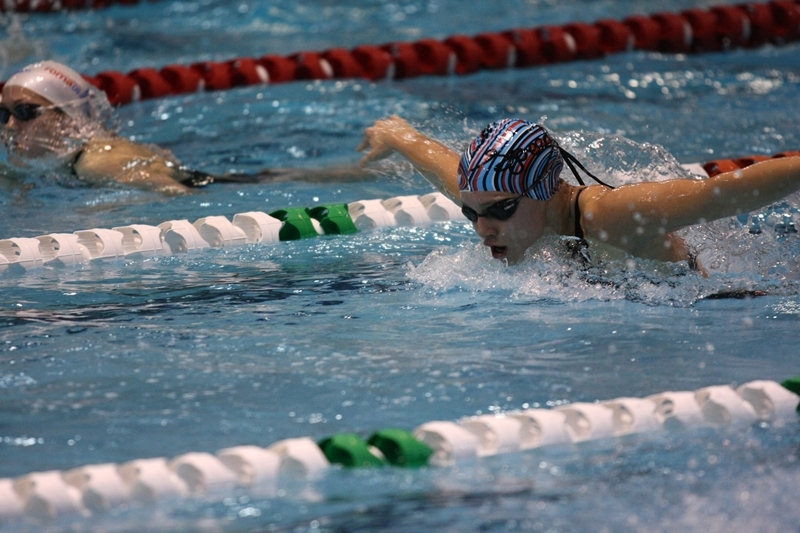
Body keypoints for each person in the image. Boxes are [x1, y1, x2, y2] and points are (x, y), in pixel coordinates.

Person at [357, 116, 800, 268]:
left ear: (549, 191)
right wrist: (397, 135)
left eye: (499, 211)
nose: (483, 230)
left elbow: (721, 195)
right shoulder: (498, 201)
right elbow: (445, 169)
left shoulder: (610, 216)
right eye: (471, 215)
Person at [1, 60, 367, 195]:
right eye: (4, 115)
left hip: (215, 187)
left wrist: (110, 212)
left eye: (26, 112)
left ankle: (363, 173)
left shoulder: (98, 162)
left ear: (68, 117)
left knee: (287, 179)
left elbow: (181, 197)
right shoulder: (43, 161)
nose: (12, 125)